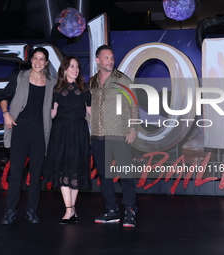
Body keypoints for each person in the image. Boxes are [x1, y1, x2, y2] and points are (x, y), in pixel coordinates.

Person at [0, 47, 56, 225]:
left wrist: (54, 111)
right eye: (35, 58)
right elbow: (3, 96)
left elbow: (55, 103)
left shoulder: (52, 82)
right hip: (20, 129)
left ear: (46, 63)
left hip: (40, 132)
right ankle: (10, 211)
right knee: (16, 172)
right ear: (31, 60)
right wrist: (5, 113)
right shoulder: (19, 76)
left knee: (36, 173)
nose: (38, 62)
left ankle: (32, 210)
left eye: (42, 59)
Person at [88, 45, 138, 228]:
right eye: (106, 58)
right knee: (104, 175)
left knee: (126, 174)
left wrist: (133, 129)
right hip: (98, 135)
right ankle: (111, 210)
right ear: (98, 61)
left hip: (119, 134)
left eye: (111, 57)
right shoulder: (92, 82)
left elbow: (134, 105)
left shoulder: (122, 79)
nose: (110, 61)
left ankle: (130, 210)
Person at [43, 56, 91, 224]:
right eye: (71, 66)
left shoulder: (84, 88)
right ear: (64, 69)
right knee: (64, 170)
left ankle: (71, 209)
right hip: (62, 131)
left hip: (79, 131)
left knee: (76, 170)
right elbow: (53, 113)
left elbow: (90, 112)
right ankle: (69, 209)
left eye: (77, 66)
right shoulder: (56, 89)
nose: (75, 69)